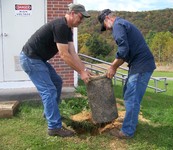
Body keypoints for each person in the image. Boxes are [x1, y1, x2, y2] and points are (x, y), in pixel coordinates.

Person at [19, 3, 91, 137]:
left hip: (39, 60)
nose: (81, 21)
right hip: (31, 59)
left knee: (57, 82)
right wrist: (81, 73)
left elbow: (73, 53)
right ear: (72, 13)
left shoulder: (68, 29)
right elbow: (64, 55)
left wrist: (84, 69)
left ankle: (50, 113)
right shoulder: (61, 26)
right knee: (49, 90)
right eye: (81, 17)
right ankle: (54, 127)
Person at [98, 9, 156, 139]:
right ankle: (130, 122)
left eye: (105, 25)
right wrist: (114, 66)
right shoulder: (123, 24)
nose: (107, 29)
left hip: (141, 65)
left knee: (131, 97)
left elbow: (123, 49)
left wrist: (113, 66)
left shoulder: (118, 25)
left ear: (108, 18)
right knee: (128, 93)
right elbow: (125, 52)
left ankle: (127, 131)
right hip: (138, 65)